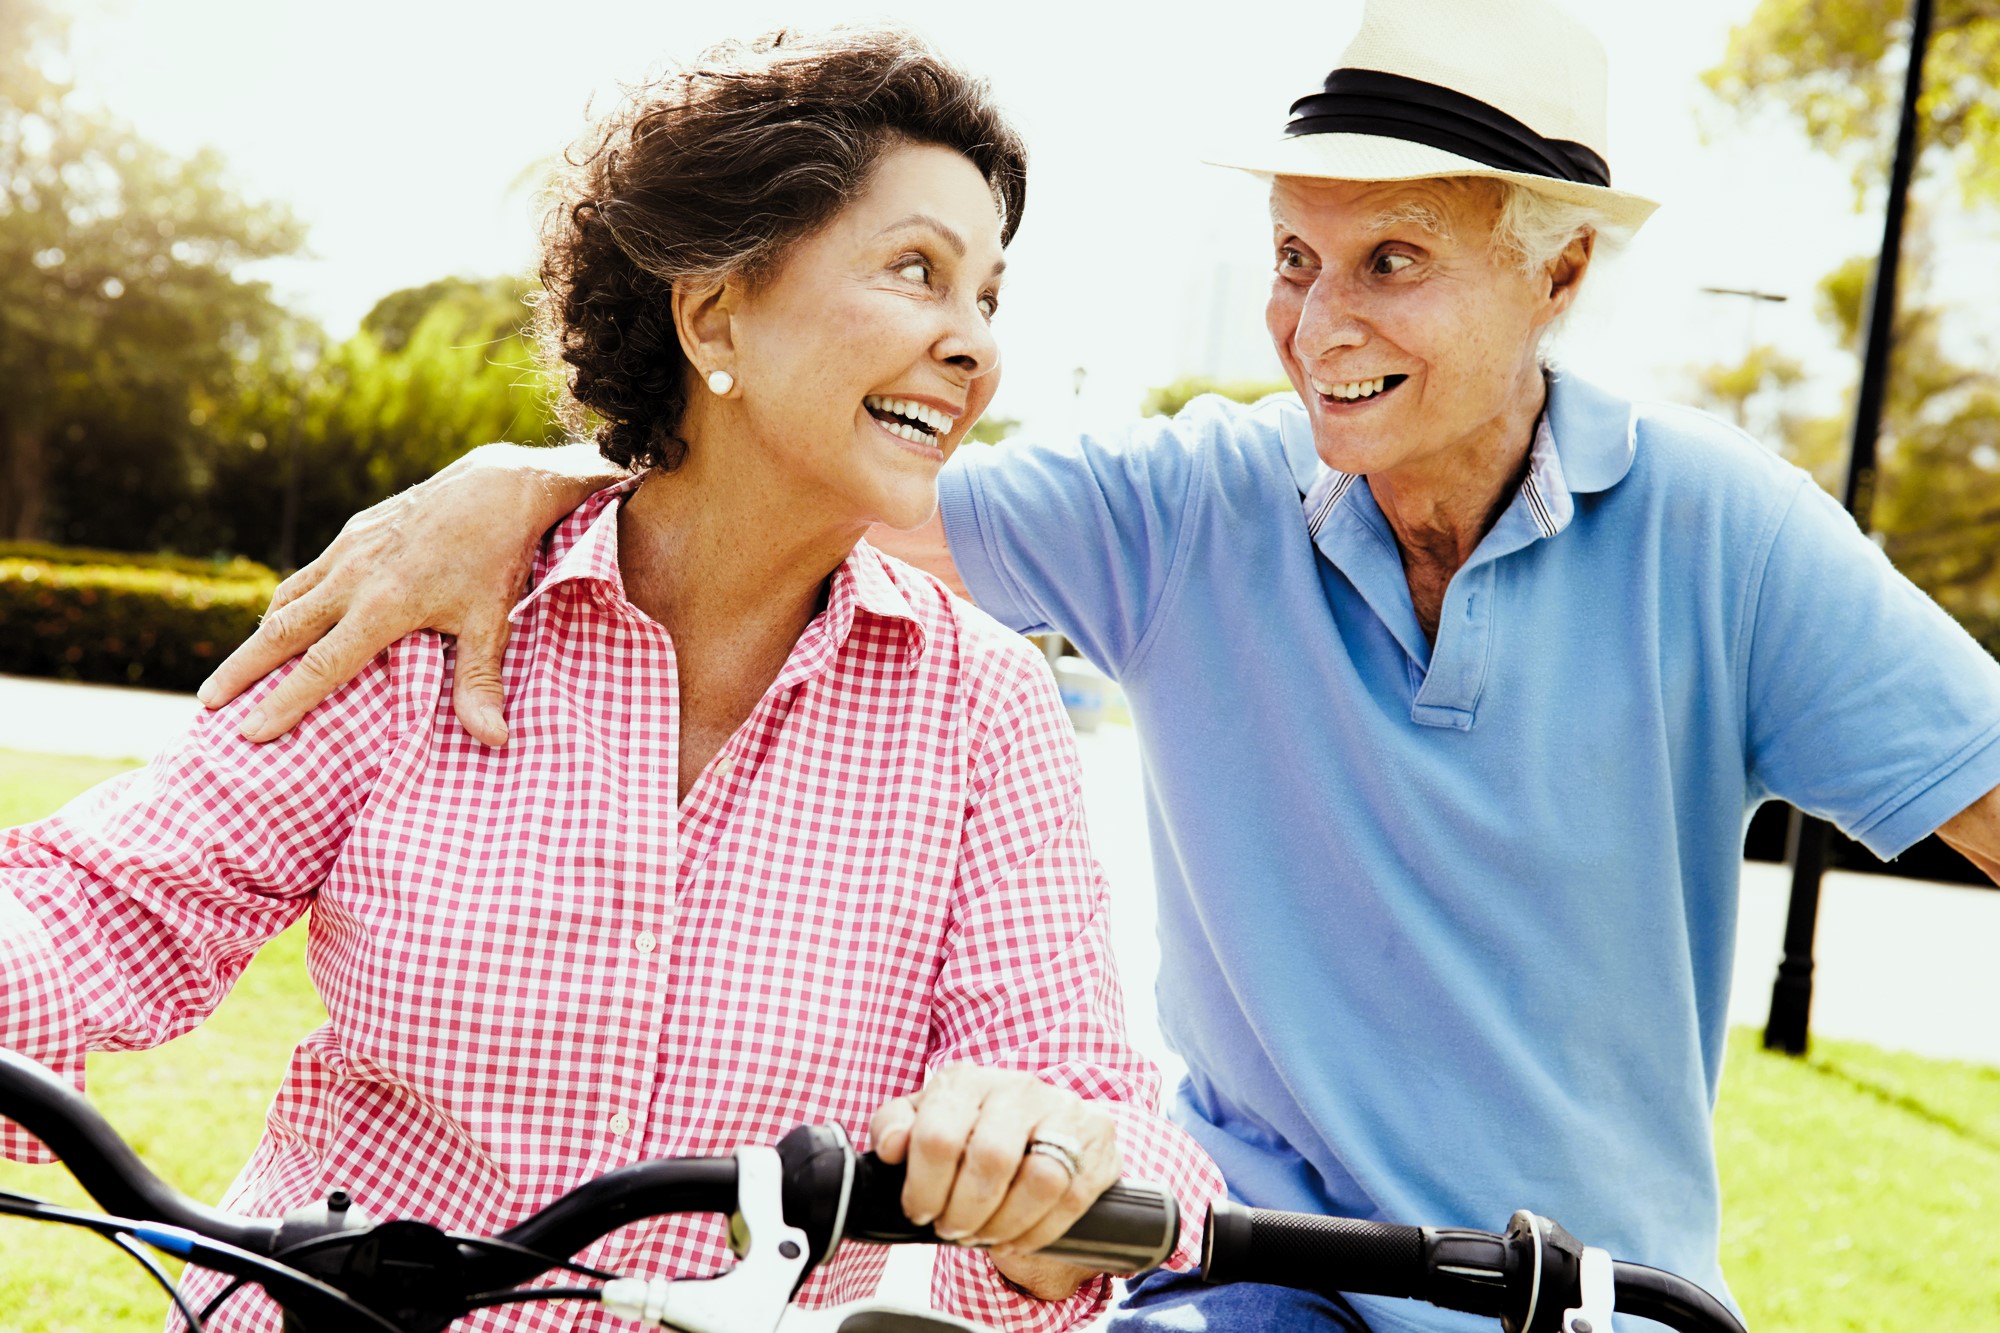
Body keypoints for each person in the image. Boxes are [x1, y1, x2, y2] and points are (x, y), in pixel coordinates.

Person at [197, 3, 2000, 1331]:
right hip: (1246, 1275)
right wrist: (523, 483)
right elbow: (836, 463)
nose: (1319, 323)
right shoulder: (1198, 499)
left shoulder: (1730, 539)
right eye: (1295, 261)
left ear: (1560, 281)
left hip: (1577, 1290)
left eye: (1394, 262)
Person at [0, 28, 1225, 1333]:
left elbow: (1109, 1125)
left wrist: (1046, 1171)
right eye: (916, 271)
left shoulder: (981, 708)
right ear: (712, 311)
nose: (974, 347)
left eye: (988, 297)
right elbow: (98, 904)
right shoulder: (437, 615)